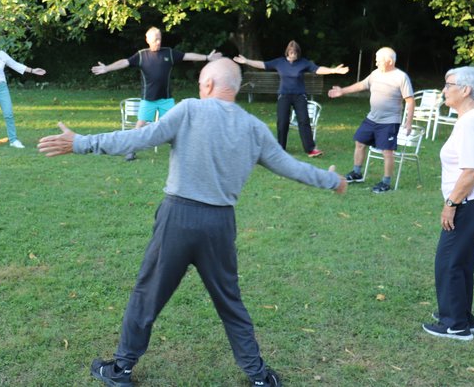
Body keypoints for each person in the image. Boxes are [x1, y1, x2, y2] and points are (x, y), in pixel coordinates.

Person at [38, 58, 347, 387]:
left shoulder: (189, 110)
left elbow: (137, 139)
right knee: (230, 303)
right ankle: (260, 378)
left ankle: (121, 370)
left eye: (201, 83)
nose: (200, 89)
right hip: (220, 225)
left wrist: (81, 143)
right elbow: (289, 165)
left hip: (178, 218)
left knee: (147, 295)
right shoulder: (253, 128)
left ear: (210, 85)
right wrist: (331, 181)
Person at [422, 66, 474, 341]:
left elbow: (472, 170)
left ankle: (455, 324)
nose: (444, 90)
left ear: (466, 90)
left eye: (449, 85)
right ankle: (462, 317)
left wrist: (451, 203)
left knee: (449, 260)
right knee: (460, 260)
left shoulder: (471, 122)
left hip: (469, 201)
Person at [91, 26, 223, 161]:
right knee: (139, 126)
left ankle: (187, 151)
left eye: (159, 39)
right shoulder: (142, 55)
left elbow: (187, 56)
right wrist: (107, 68)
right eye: (155, 40)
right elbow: (125, 62)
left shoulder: (169, 53)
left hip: (166, 100)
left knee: (176, 125)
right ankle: (130, 151)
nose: (158, 42)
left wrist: (207, 57)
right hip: (148, 100)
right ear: (148, 40)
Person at [233, 40, 348, 157]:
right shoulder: (279, 62)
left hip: (299, 96)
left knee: (304, 121)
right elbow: (263, 64)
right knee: (282, 121)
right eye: (291, 53)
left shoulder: (303, 63)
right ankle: (280, 148)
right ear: (287, 52)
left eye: (295, 53)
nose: (293, 55)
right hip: (284, 96)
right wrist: (246, 61)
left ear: (298, 53)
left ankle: (311, 149)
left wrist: (333, 70)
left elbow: (318, 69)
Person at [327, 47, 414, 193]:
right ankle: (357, 173)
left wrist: (409, 122)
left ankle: (386, 182)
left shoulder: (401, 77)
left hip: (389, 121)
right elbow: (362, 84)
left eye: (379, 60)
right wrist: (342, 91)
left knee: (387, 151)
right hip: (372, 118)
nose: (376, 63)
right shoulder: (376, 73)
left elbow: (410, 101)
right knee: (360, 142)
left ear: (390, 61)